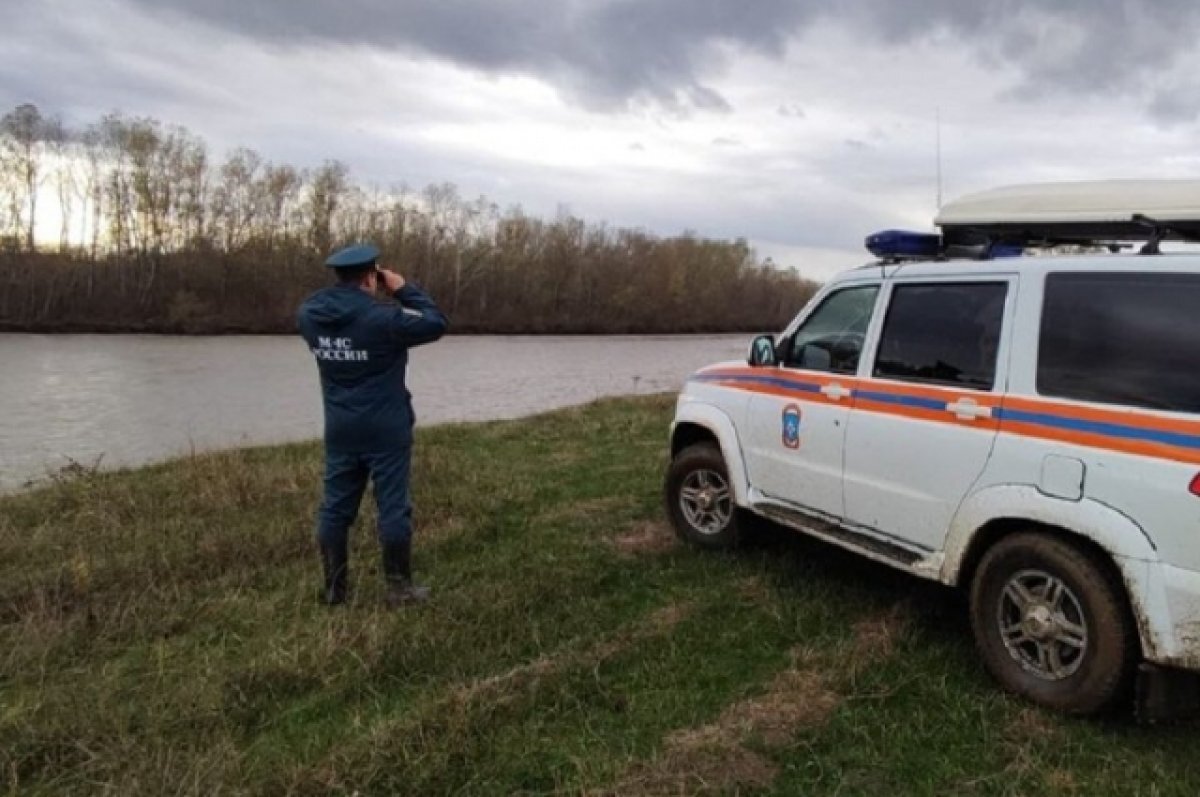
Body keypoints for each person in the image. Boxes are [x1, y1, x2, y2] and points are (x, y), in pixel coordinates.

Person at [297, 243, 448, 607]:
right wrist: (401, 288)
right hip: (386, 427)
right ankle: (399, 588)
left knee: (335, 508)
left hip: (340, 426)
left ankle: (335, 590)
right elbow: (436, 322)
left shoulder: (309, 316)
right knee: (393, 508)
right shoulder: (383, 319)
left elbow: (330, 309)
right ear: (370, 277)